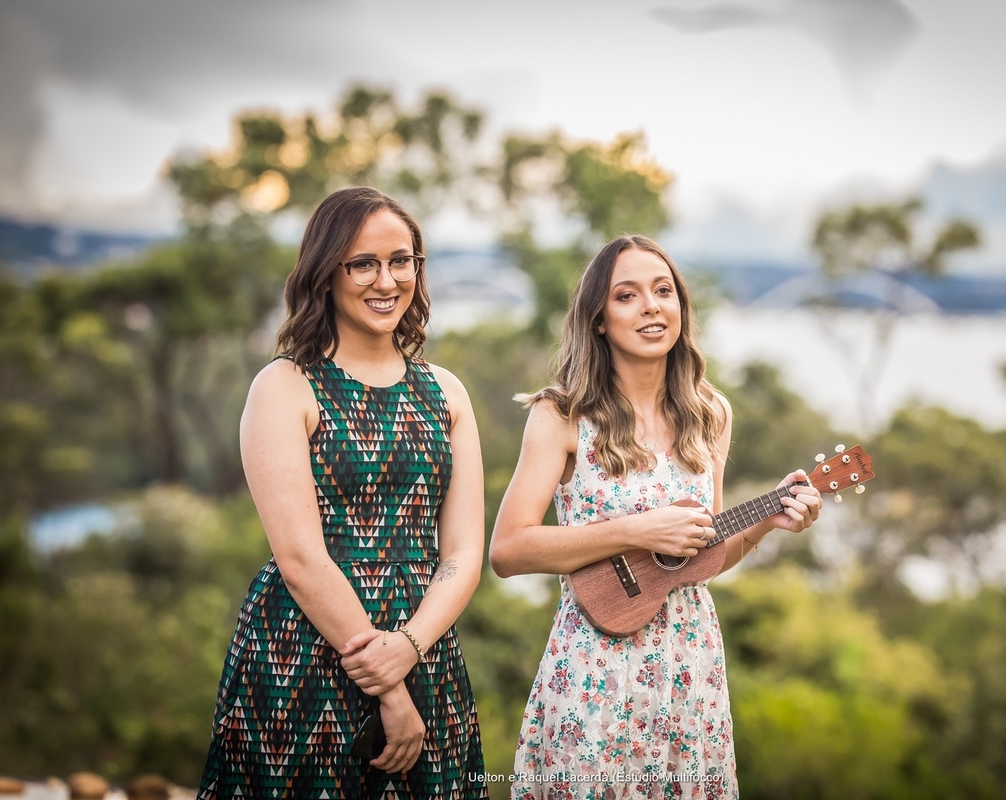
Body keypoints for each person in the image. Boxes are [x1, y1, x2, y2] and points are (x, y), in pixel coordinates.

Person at [488, 234, 823, 798]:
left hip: (689, 665)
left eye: (663, 291)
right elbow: (508, 550)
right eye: (627, 295)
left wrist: (767, 522)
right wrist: (635, 530)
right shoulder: (562, 414)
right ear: (599, 320)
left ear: (680, 307)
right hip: (593, 664)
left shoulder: (710, 414)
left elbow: (698, 559)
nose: (651, 306)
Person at [198, 187, 489, 799]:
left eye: (401, 261)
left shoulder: (446, 392)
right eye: (363, 264)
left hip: (425, 649)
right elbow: (301, 559)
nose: (386, 281)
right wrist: (389, 687)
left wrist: (409, 647)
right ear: (325, 272)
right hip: (305, 655)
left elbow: (463, 553)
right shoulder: (285, 386)